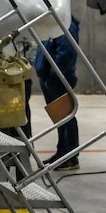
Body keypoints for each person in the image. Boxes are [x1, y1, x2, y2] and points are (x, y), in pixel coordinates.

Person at [34, 20, 82, 170]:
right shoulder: (52, 25)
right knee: (59, 118)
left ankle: (70, 156)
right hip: (48, 76)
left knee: (66, 117)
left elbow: (66, 52)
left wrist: (55, 74)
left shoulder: (65, 25)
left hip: (57, 77)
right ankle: (62, 152)